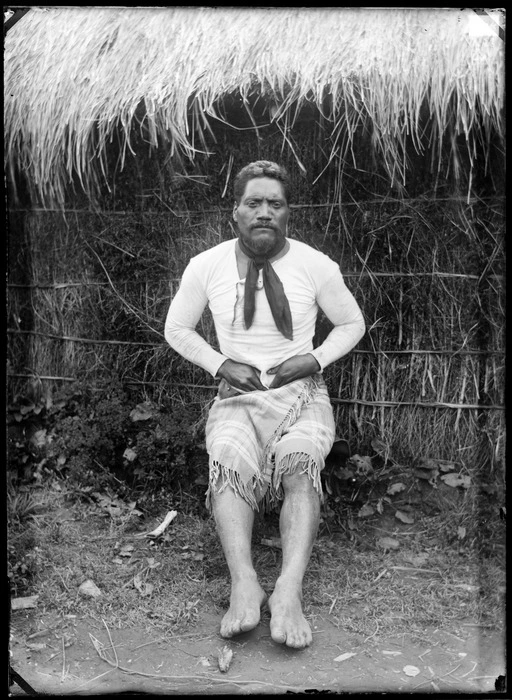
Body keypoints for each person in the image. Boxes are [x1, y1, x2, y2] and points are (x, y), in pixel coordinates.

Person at [165, 161, 365, 649]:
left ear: (288, 214)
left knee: (301, 467)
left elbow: (351, 324)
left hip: (300, 395)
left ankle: (288, 590)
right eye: (253, 203)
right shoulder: (206, 265)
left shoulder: (316, 266)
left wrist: (312, 360)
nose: (263, 213)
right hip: (238, 396)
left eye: (274, 204)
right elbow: (177, 329)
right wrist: (221, 366)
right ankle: (244, 582)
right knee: (228, 464)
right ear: (235, 212)